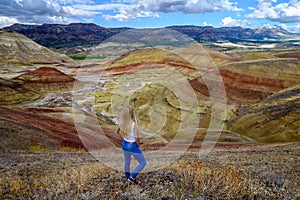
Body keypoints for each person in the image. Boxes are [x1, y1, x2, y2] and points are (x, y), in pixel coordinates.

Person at [115, 106, 146, 184]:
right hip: (132, 145)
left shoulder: (121, 123)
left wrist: (124, 138)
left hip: (124, 144)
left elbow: (116, 132)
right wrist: (138, 144)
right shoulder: (133, 124)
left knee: (127, 162)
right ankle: (132, 177)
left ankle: (127, 178)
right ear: (132, 114)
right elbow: (136, 137)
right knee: (143, 162)